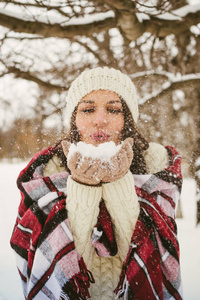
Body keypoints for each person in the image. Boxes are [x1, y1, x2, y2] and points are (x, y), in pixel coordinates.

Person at [10, 67, 183, 300]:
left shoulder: (157, 165)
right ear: (73, 119)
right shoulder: (45, 172)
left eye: (113, 109)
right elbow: (59, 266)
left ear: (128, 120)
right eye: (88, 109)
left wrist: (118, 184)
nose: (100, 120)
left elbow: (147, 253)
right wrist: (83, 188)